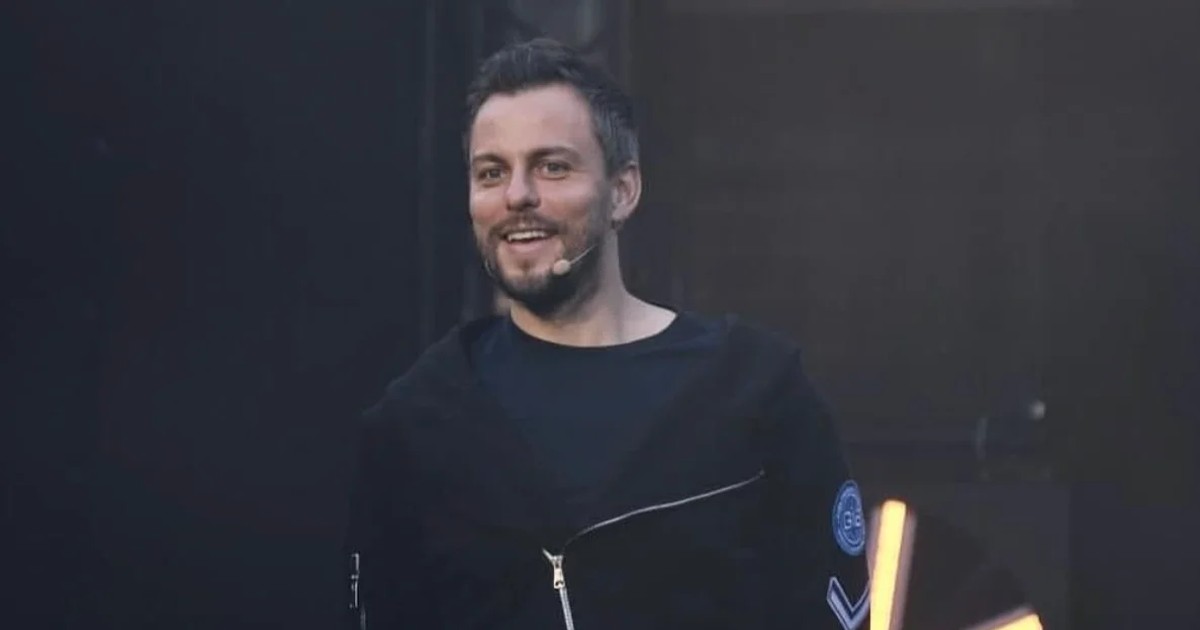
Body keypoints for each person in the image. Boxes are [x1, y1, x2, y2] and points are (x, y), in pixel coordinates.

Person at [345, 38, 870, 629]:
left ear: (622, 191)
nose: (518, 195)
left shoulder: (758, 394)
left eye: (552, 166)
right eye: (492, 172)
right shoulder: (416, 424)